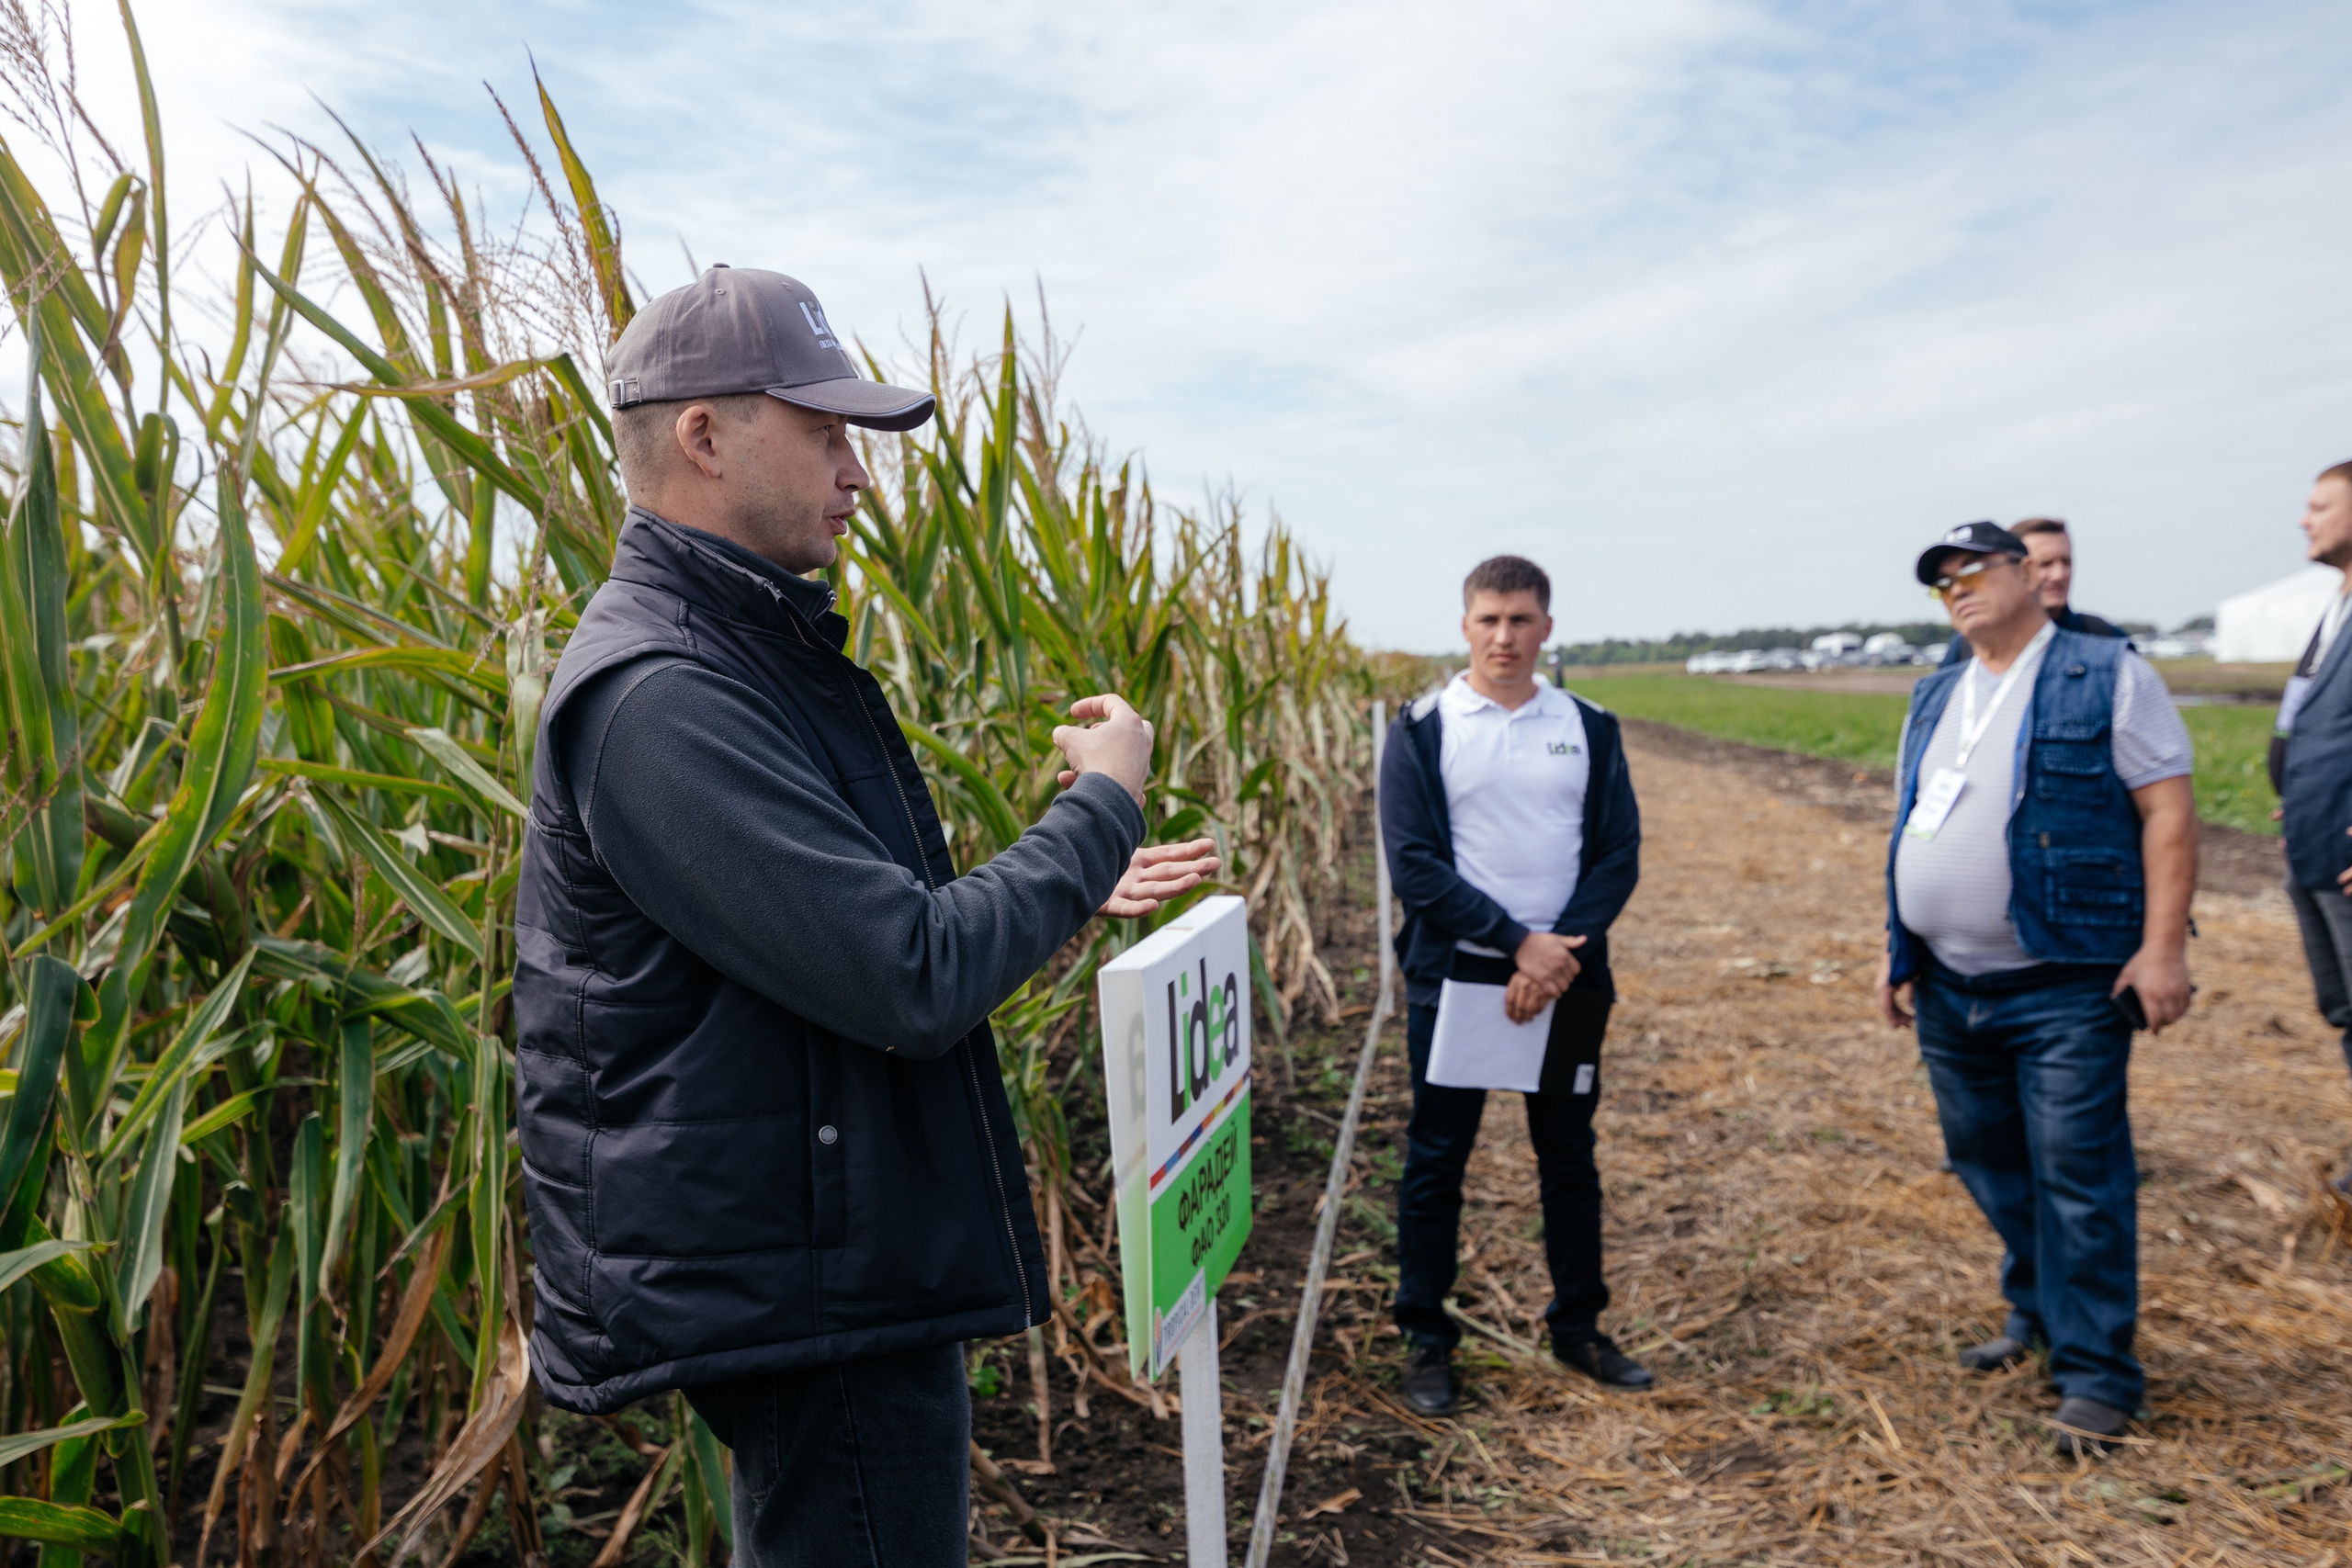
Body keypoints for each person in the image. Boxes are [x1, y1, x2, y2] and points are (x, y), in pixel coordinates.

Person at [511, 265, 1220, 1566]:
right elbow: (911, 971)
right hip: (810, 1277)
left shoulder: (747, 649)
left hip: (825, 1241)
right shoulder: (662, 695)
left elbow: (851, 926)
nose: (860, 470)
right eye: (828, 429)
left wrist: (1067, 880)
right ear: (705, 436)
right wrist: (1102, 806)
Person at [1876, 521, 2197, 1457]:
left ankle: (2098, 1375)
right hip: (1947, 985)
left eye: (1974, 570)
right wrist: (1896, 946)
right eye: (1943, 584)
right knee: (1987, 1162)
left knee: (2078, 1178)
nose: (1959, 590)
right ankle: (2038, 1312)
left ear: (2027, 572)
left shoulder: (2106, 674)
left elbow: (2168, 815)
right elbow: (1908, 825)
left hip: (2062, 983)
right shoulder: (1937, 692)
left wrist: (2162, 949)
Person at [1379, 555, 1645, 1415]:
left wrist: (1558, 952)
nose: (1505, 636)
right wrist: (1515, 944)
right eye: (1489, 619)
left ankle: (1578, 1327)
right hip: (1455, 976)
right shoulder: (1422, 727)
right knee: (1436, 1161)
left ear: (1547, 628)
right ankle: (1427, 1336)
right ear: (1465, 626)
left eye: (1522, 619)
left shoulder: (1589, 725)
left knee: (1568, 1157)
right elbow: (1416, 868)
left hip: (1568, 975)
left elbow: (1616, 853)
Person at [2271, 462, 2352, 1190]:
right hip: (2315, 841)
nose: (2306, 518)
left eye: (2321, 504)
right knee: (2347, 1008)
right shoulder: (2337, 606)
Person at [1943, 518, 2125, 667]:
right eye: (2045, 564)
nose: (2059, 575)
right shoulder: (1965, 648)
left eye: (2066, 562)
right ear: (2022, 571)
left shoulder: (2104, 636)